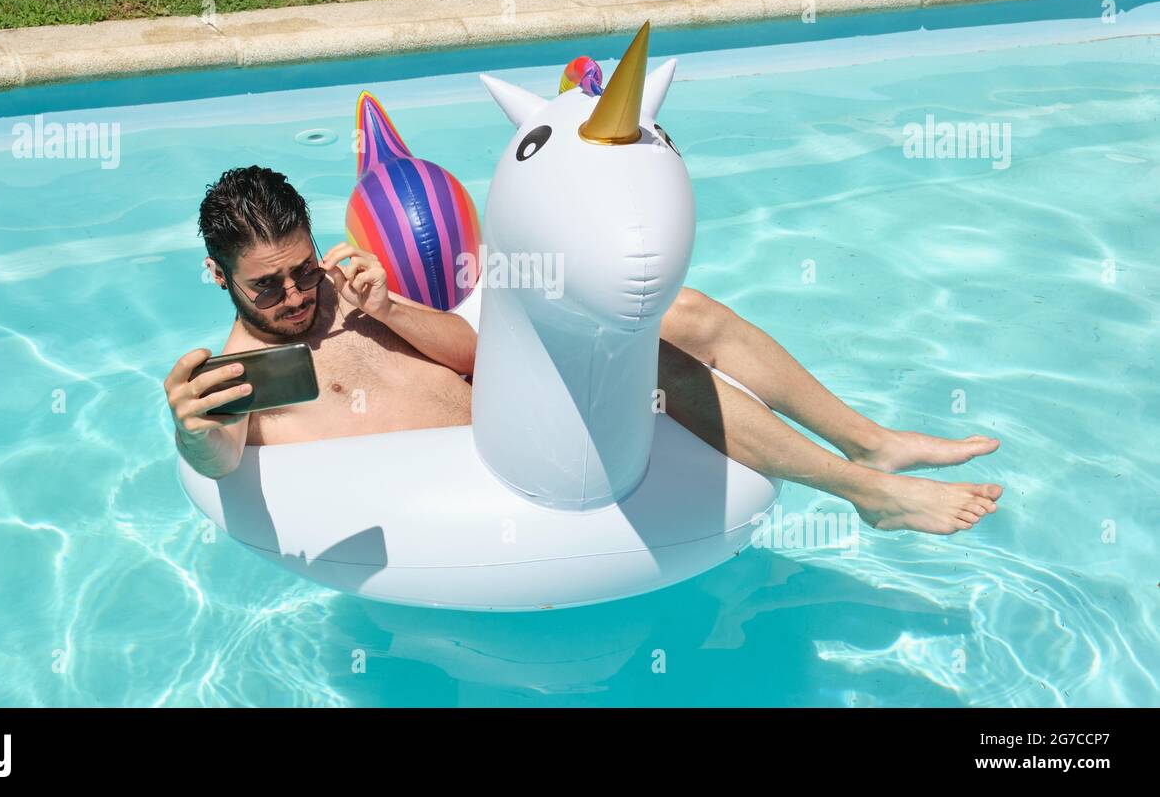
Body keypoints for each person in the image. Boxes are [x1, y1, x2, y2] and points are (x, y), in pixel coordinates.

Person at [165, 166, 1002, 535]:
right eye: (266, 287)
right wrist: (189, 430)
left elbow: (469, 352)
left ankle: (870, 440)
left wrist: (391, 307)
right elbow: (219, 456)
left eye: (302, 271)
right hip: (502, 477)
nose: (295, 297)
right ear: (217, 276)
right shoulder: (236, 374)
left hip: (512, 408)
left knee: (689, 313)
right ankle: (866, 493)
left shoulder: (346, 298)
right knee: (639, 360)